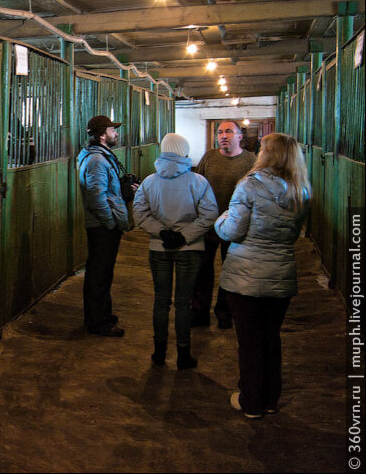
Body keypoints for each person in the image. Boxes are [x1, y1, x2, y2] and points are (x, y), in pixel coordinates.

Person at [215, 133, 310, 418]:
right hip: (281, 274)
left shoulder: (249, 186)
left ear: (266, 154)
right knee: (271, 338)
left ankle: (251, 402)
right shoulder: (301, 190)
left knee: (249, 342)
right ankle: (270, 398)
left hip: (246, 275)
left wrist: (220, 219)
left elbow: (232, 230)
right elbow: (292, 235)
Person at [133, 133, 218, 369]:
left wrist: (162, 232)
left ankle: (159, 353)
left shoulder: (149, 182)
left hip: (158, 248)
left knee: (161, 301)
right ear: (184, 151)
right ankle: (183, 354)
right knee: (183, 302)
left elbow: (140, 214)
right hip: (189, 249)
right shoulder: (198, 181)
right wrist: (185, 235)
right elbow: (210, 214)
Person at [192, 120, 256, 329]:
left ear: (240, 137)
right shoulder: (209, 157)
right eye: (220, 132)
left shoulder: (251, 161)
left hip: (236, 225)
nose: (223, 136)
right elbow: (197, 184)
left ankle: (225, 312)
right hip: (208, 224)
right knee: (202, 269)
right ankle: (200, 312)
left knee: (230, 271)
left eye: (229, 131)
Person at [77, 115, 136, 337]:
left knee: (101, 274)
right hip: (102, 226)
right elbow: (96, 196)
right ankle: (98, 323)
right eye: (113, 130)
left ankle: (100, 316)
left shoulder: (101, 157)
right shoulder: (97, 161)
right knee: (99, 275)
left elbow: (105, 191)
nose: (116, 133)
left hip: (105, 224)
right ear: (102, 134)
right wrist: (111, 222)